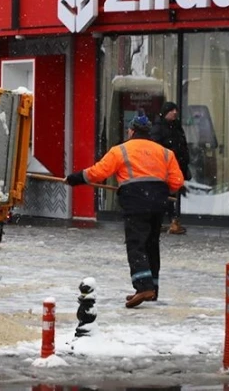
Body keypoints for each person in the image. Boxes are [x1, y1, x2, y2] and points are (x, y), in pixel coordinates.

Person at [65, 111, 184, 308]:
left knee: (136, 243)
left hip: (136, 200)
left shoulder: (121, 150)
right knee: (151, 244)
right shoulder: (165, 152)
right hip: (158, 201)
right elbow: (177, 182)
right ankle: (151, 288)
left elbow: (98, 172)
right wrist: (161, 189)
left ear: (131, 131)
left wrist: (74, 178)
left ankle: (143, 286)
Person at [150, 102, 191, 235]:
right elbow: (156, 147)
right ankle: (170, 221)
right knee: (167, 195)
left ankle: (164, 221)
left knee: (170, 194)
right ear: (165, 112)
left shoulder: (176, 126)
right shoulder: (158, 127)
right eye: (171, 111)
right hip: (165, 167)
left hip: (176, 165)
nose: (174, 113)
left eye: (176, 110)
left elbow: (183, 145)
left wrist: (185, 162)